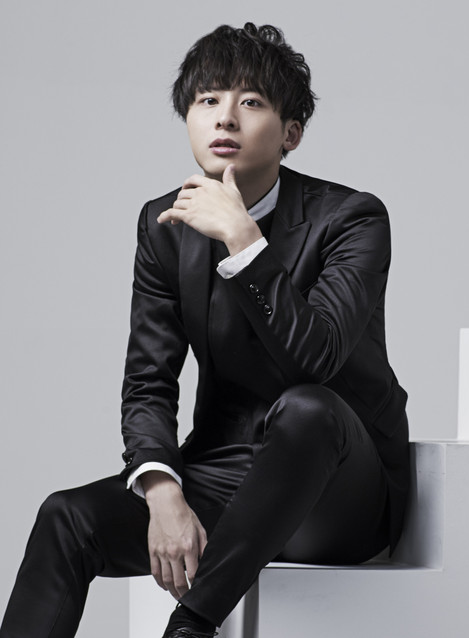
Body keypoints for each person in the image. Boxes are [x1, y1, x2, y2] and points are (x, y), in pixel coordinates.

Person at [0, 22, 410, 638]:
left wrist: (243, 239)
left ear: (291, 133)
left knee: (307, 407)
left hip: (340, 486)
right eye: (208, 99)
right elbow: (149, 380)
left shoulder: (352, 219)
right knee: (67, 517)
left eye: (252, 102)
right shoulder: (164, 225)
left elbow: (316, 359)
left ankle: (190, 626)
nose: (225, 118)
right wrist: (162, 488)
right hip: (227, 471)